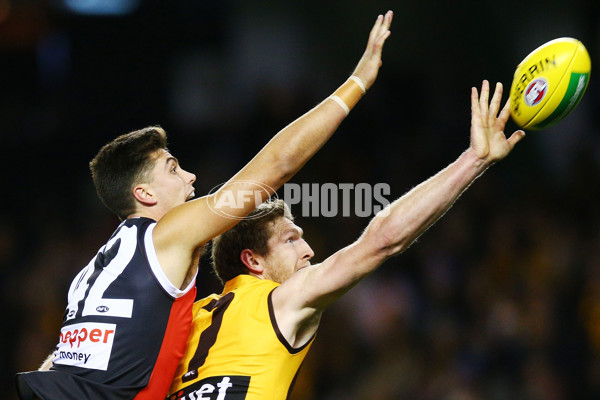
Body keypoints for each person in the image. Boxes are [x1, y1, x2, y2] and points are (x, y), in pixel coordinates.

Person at [15, 11, 394, 400]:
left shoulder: (91, 275)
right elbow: (275, 167)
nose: (191, 178)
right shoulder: (164, 236)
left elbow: (63, 364)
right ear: (144, 195)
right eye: (173, 168)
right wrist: (356, 84)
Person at [166, 80, 526, 399]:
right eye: (290, 240)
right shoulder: (279, 301)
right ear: (253, 261)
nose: (308, 251)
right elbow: (382, 239)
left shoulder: (186, 322)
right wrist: (474, 161)